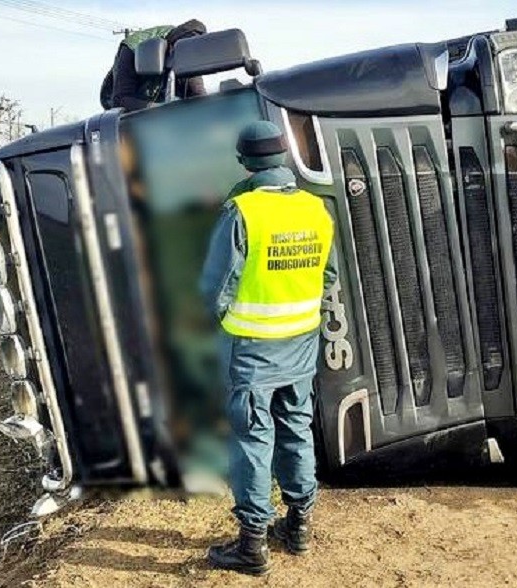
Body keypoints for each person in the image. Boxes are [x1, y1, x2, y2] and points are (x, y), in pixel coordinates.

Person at [200, 121, 337, 576]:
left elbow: (216, 288)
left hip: (252, 351)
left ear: (245, 161)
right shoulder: (316, 210)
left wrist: (211, 326)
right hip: (301, 345)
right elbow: (328, 279)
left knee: (252, 439)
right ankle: (298, 526)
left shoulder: (241, 211)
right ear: (283, 157)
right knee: (296, 428)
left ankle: (252, 545)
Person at [108, 19, 207, 112]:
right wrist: (160, 109)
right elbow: (120, 99)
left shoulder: (189, 51)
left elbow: (198, 94)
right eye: (181, 54)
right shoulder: (133, 48)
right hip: (132, 106)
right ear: (172, 48)